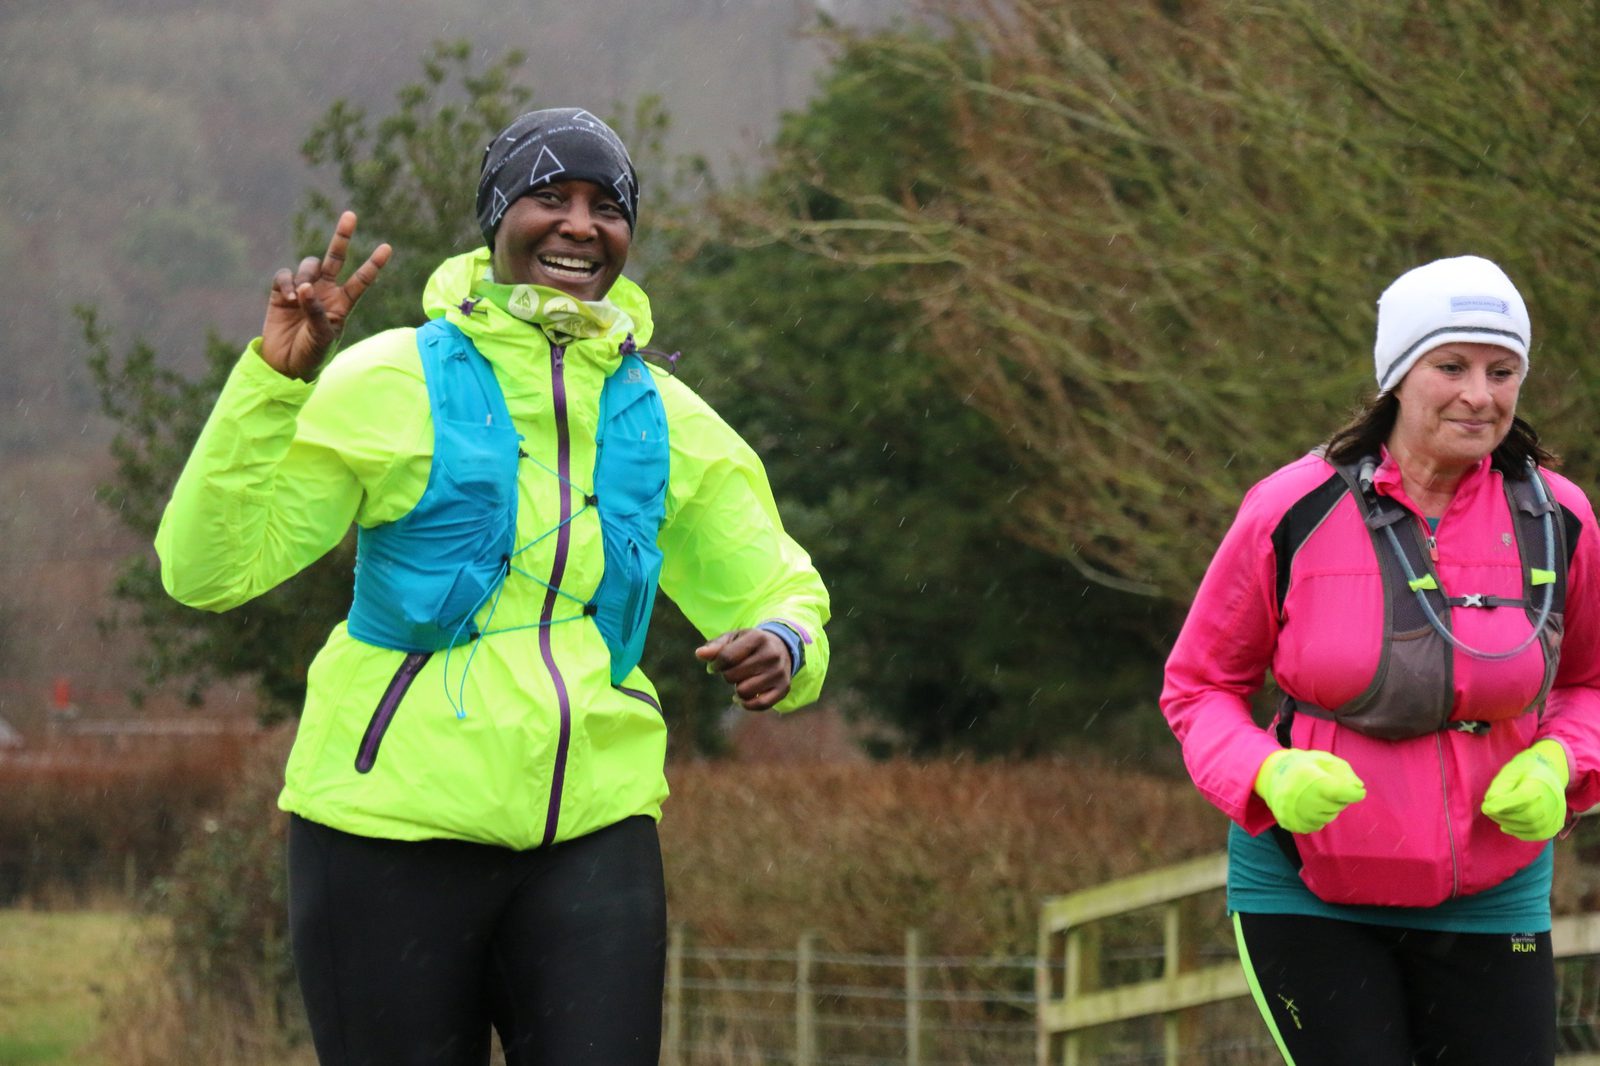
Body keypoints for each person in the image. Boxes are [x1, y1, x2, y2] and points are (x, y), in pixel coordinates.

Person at [155, 108, 831, 1065]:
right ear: (495, 217)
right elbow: (207, 572)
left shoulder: (664, 416)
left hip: (595, 832)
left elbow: (778, 584)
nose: (580, 224)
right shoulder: (387, 378)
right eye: (549, 197)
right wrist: (272, 385)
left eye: (607, 206)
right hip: (384, 834)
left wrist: (785, 644)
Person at [1160, 255, 1600, 1066]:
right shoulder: (1291, 506)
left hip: (1493, 893)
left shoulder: (1559, 517)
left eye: (1503, 371)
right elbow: (1200, 687)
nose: (1481, 392)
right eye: (1452, 365)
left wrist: (1560, 762)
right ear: (1399, 374)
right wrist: (1267, 772)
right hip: (1310, 889)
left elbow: (1589, 683)